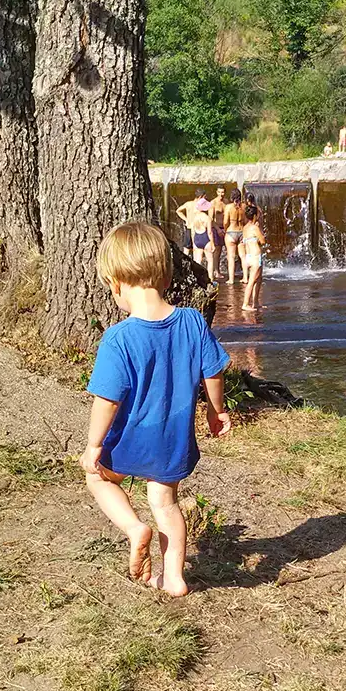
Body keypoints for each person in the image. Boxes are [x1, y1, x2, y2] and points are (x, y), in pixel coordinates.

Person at [81, 222, 231, 597]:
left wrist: (94, 445)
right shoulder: (193, 322)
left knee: (99, 479)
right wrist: (217, 411)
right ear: (166, 278)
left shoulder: (118, 338)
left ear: (116, 284)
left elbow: (107, 399)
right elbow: (213, 372)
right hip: (172, 440)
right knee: (165, 503)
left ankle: (134, 529)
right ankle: (174, 577)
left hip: (130, 440)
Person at [241, 205, 265, 312]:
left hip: (248, 256)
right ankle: (245, 304)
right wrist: (259, 229)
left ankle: (255, 302)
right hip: (256, 256)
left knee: (259, 279)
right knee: (251, 281)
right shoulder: (255, 228)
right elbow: (263, 241)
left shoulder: (245, 228)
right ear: (255, 216)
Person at [223, 189, 245, 285]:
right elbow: (245, 220)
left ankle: (231, 279)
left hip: (231, 231)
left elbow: (225, 222)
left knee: (231, 257)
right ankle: (245, 277)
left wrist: (225, 230)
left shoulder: (228, 207)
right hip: (241, 232)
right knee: (243, 256)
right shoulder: (244, 206)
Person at [191, 198, 215, 278]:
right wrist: (212, 243)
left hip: (197, 238)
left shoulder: (194, 217)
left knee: (198, 261)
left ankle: (197, 278)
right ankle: (210, 278)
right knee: (210, 260)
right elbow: (209, 232)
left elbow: (192, 231)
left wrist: (193, 242)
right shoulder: (207, 218)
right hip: (205, 238)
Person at [210, 186, 227, 279]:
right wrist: (218, 229)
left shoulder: (227, 202)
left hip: (225, 228)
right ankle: (216, 271)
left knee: (222, 251)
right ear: (216, 192)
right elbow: (210, 219)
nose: (221, 194)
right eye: (219, 192)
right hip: (216, 228)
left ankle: (219, 270)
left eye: (223, 192)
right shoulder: (213, 203)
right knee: (217, 251)